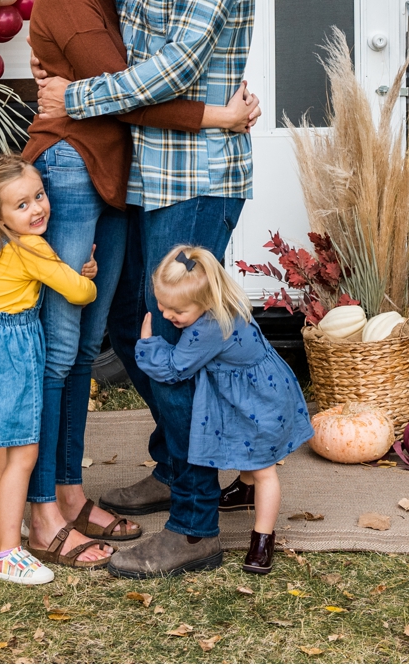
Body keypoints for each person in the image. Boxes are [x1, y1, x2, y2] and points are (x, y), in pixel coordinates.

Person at [34, 0, 257, 578]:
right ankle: (175, 467)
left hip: (195, 179)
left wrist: (74, 97)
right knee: (134, 329)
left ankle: (196, 522)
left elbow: (178, 67)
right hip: (143, 178)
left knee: (171, 340)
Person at [0, 154, 98, 587]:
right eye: (23, 205)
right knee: (25, 450)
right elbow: (79, 292)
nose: (38, 209)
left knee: (10, 445)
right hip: (13, 348)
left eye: (39, 196)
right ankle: (7, 553)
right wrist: (88, 272)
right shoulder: (31, 247)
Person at [133, 246, 312, 576]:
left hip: (260, 401)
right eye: (160, 303)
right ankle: (244, 489)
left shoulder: (210, 328)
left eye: (176, 310)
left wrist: (148, 345)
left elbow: (175, 368)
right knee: (248, 446)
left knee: (264, 469)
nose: (164, 313)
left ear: (204, 302)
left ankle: (262, 537)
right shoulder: (224, 300)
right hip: (255, 391)